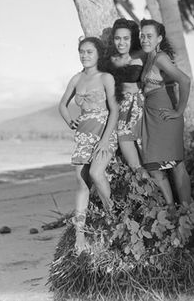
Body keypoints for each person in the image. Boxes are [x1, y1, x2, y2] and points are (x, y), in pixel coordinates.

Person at [59, 37, 118, 255]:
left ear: (98, 54)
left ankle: (113, 218)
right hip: (83, 135)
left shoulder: (106, 78)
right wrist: (69, 121)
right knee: (82, 184)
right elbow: (62, 104)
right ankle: (80, 235)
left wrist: (105, 139)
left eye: (89, 52)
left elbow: (115, 110)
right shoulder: (76, 79)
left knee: (95, 172)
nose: (84, 56)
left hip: (104, 132)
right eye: (81, 52)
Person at [140, 19, 191, 206]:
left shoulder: (160, 58)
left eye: (149, 36)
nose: (144, 39)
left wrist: (179, 111)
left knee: (177, 166)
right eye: (142, 35)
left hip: (166, 117)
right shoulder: (150, 57)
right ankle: (172, 209)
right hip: (154, 118)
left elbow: (184, 81)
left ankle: (186, 212)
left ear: (159, 38)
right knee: (154, 166)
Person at [107, 18, 148, 178]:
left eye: (126, 38)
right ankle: (149, 200)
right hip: (121, 113)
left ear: (133, 39)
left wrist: (137, 86)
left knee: (152, 163)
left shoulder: (143, 56)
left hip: (141, 110)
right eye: (117, 38)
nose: (121, 42)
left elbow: (156, 80)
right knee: (135, 166)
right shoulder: (110, 61)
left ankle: (169, 201)